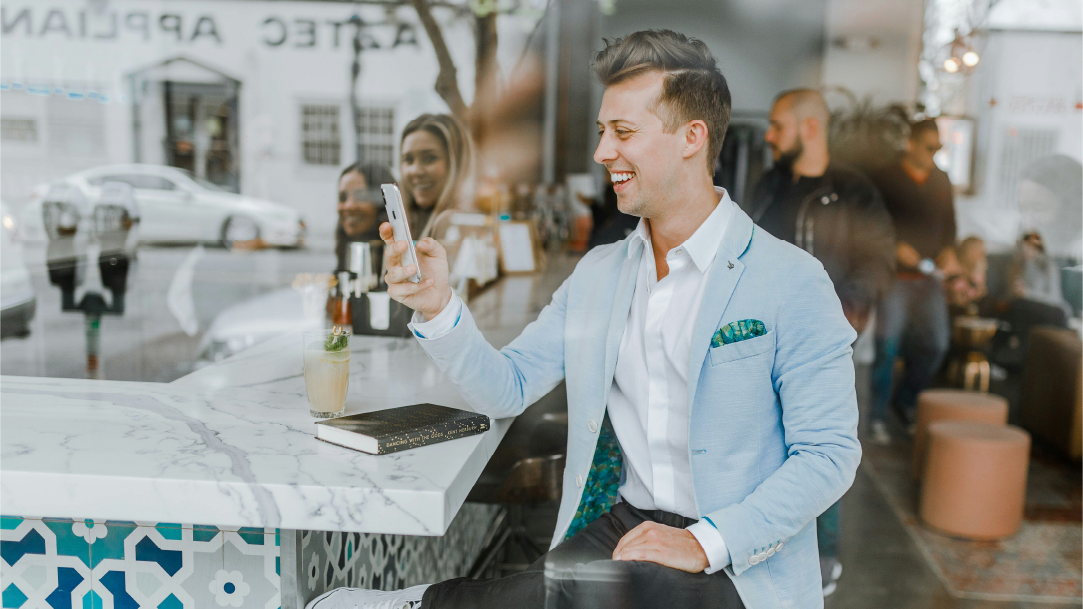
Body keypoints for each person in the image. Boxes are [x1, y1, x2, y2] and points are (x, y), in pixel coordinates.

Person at [310, 30, 861, 609]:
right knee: (568, 587)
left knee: (589, 590)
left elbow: (829, 454)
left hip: (740, 555)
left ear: (691, 139)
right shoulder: (600, 273)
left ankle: (419, 604)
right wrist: (437, 308)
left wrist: (705, 541)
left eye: (623, 133)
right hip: (622, 524)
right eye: (603, 132)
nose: (602, 152)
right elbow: (510, 387)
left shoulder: (791, 280)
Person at [745, 88, 894, 598]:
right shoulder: (766, 186)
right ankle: (760, 541)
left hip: (824, 346)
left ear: (809, 127)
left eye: (776, 125)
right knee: (764, 447)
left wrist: (841, 316)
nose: (768, 135)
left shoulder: (854, 192)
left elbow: (877, 262)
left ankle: (822, 555)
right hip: (759, 341)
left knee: (820, 449)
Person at [869, 119, 956, 443]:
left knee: (936, 344)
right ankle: (876, 416)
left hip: (930, 279)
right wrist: (893, 246)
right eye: (929, 147)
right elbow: (871, 223)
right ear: (912, 143)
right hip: (895, 279)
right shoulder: (885, 178)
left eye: (938, 148)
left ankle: (903, 402)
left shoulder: (941, 180)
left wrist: (950, 251)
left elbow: (950, 226)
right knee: (887, 347)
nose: (933, 154)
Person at [399, 113, 475, 239]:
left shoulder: (466, 225)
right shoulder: (409, 223)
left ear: (458, 163)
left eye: (429, 158)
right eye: (409, 159)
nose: (416, 171)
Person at [334, 162, 396, 271]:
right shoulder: (346, 252)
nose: (349, 206)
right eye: (343, 198)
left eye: (361, 196)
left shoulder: (400, 262)